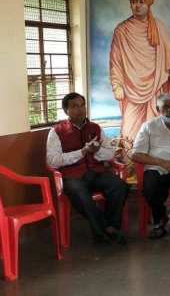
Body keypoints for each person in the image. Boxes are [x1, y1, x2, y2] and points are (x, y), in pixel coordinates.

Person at [46, 93, 129, 245]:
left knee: (119, 186)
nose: (80, 109)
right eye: (74, 106)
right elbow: (53, 161)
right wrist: (82, 152)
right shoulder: (56, 131)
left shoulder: (95, 128)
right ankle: (106, 230)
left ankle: (110, 227)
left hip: (97, 172)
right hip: (73, 176)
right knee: (81, 195)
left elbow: (110, 152)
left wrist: (97, 151)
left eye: (82, 105)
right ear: (66, 111)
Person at [109, 0, 170, 143]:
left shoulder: (160, 28)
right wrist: (117, 85)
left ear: (148, 3)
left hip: (157, 89)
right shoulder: (121, 31)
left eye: (141, 1)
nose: (137, 5)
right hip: (131, 91)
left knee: (158, 135)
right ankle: (131, 169)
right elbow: (115, 62)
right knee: (128, 134)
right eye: (134, 2)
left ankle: (159, 167)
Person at [131, 94, 170, 239]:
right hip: (157, 168)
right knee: (150, 188)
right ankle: (160, 219)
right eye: (166, 106)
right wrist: (162, 163)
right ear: (158, 108)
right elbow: (136, 154)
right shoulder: (148, 126)